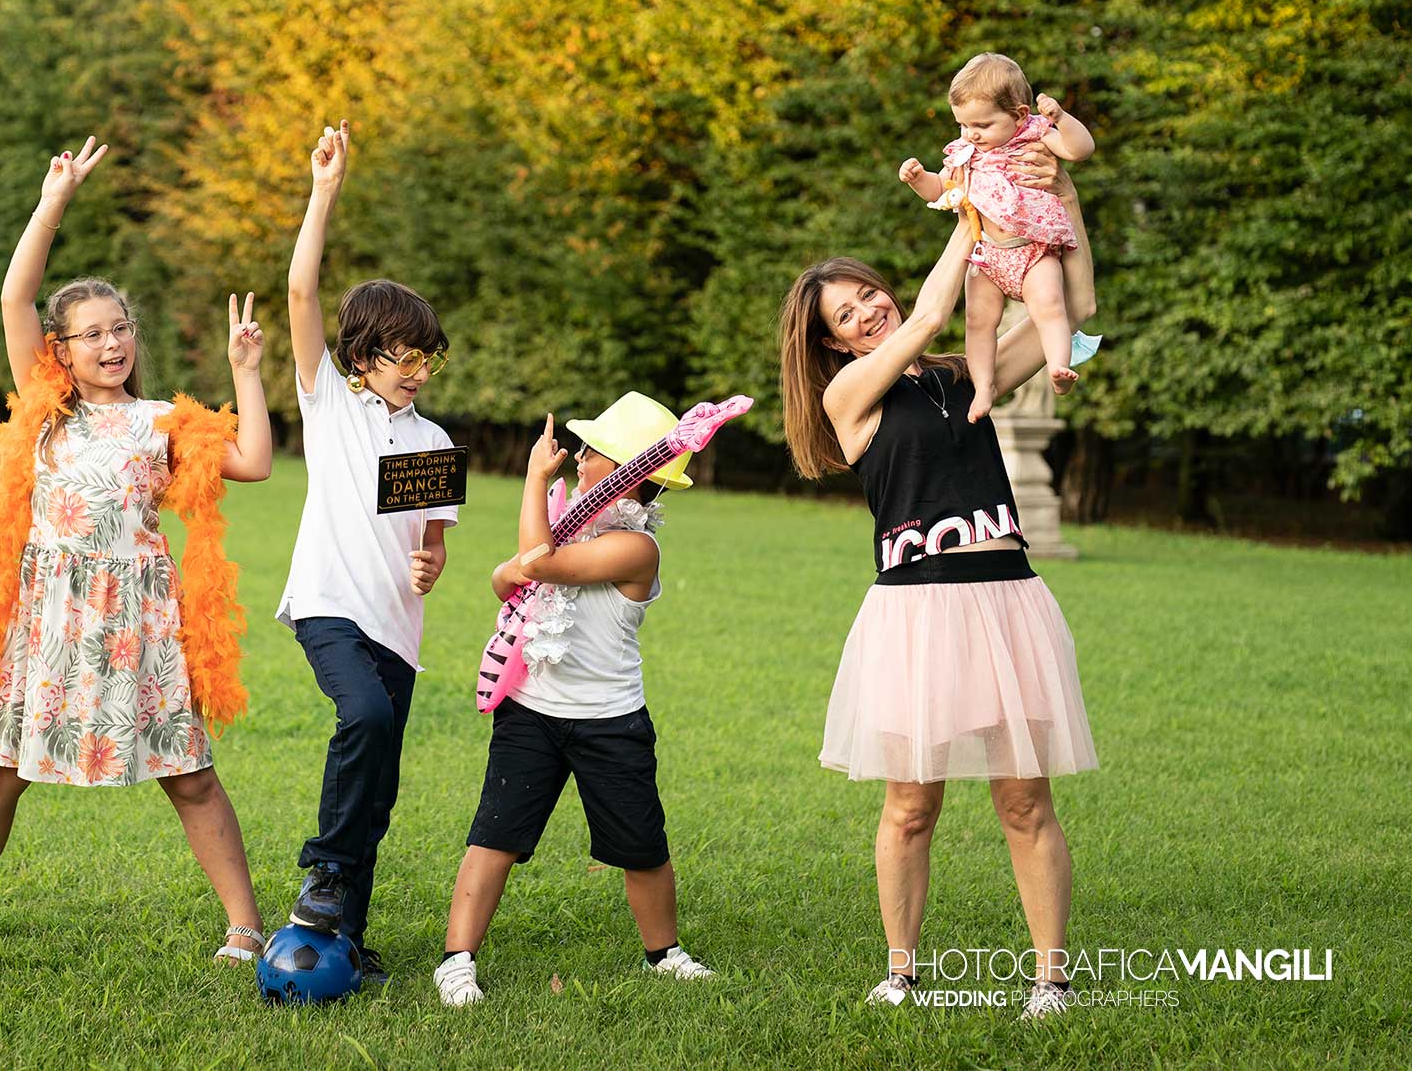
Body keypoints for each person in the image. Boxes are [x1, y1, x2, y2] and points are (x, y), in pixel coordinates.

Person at [0, 134, 273, 964]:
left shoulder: (161, 422)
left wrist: (246, 369)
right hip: (47, 616)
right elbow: (14, 295)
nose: (112, 344)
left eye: (121, 329)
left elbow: (252, 461)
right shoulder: (48, 409)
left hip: (138, 616)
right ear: (59, 351)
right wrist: (54, 201)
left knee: (190, 775)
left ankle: (244, 924)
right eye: (92, 334)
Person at [778, 151, 1100, 1021]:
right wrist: (970, 212)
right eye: (848, 315)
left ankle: (1052, 980)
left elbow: (1079, 312)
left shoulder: (968, 374)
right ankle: (900, 971)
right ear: (833, 343)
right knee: (911, 807)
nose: (869, 312)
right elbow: (925, 313)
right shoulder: (851, 395)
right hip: (916, 617)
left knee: (1026, 800)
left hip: (1008, 603)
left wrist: (1058, 198)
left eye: (867, 295)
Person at [434, 400, 714, 1008]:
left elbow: (544, 563)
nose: (579, 457)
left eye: (594, 451)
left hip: (610, 721)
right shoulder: (566, 521)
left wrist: (533, 482)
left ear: (633, 473)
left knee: (641, 845)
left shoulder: (636, 547)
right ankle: (457, 961)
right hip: (530, 712)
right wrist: (509, 573)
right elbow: (511, 577)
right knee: (495, 835)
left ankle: (665, 954)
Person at [280, 121, 457, 984]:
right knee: (367, 719)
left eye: (427, 358)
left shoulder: (432, 438)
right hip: (327, 606)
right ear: (361, 355)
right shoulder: (332, 406)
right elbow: (302, 291)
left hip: (398, 628)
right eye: (402, 355)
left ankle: (345, 936)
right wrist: (324, 193)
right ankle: (321, 874)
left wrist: (432, 565)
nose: (417, 371)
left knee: (378, 787)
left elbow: (430, 549)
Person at [898, 52, 1097, 420]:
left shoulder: (1034, 137)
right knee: (978, 321)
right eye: (962, 125)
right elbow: (941, 188)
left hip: (1032, 251)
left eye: (982, 125)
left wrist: (1062, 119)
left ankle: (1058, 367)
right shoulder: (967, 154)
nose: (970, 134)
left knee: (1050, 306)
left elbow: (1080, 149)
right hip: (988, 254)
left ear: (1020, 114)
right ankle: (984, 387)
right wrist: (918, 179)